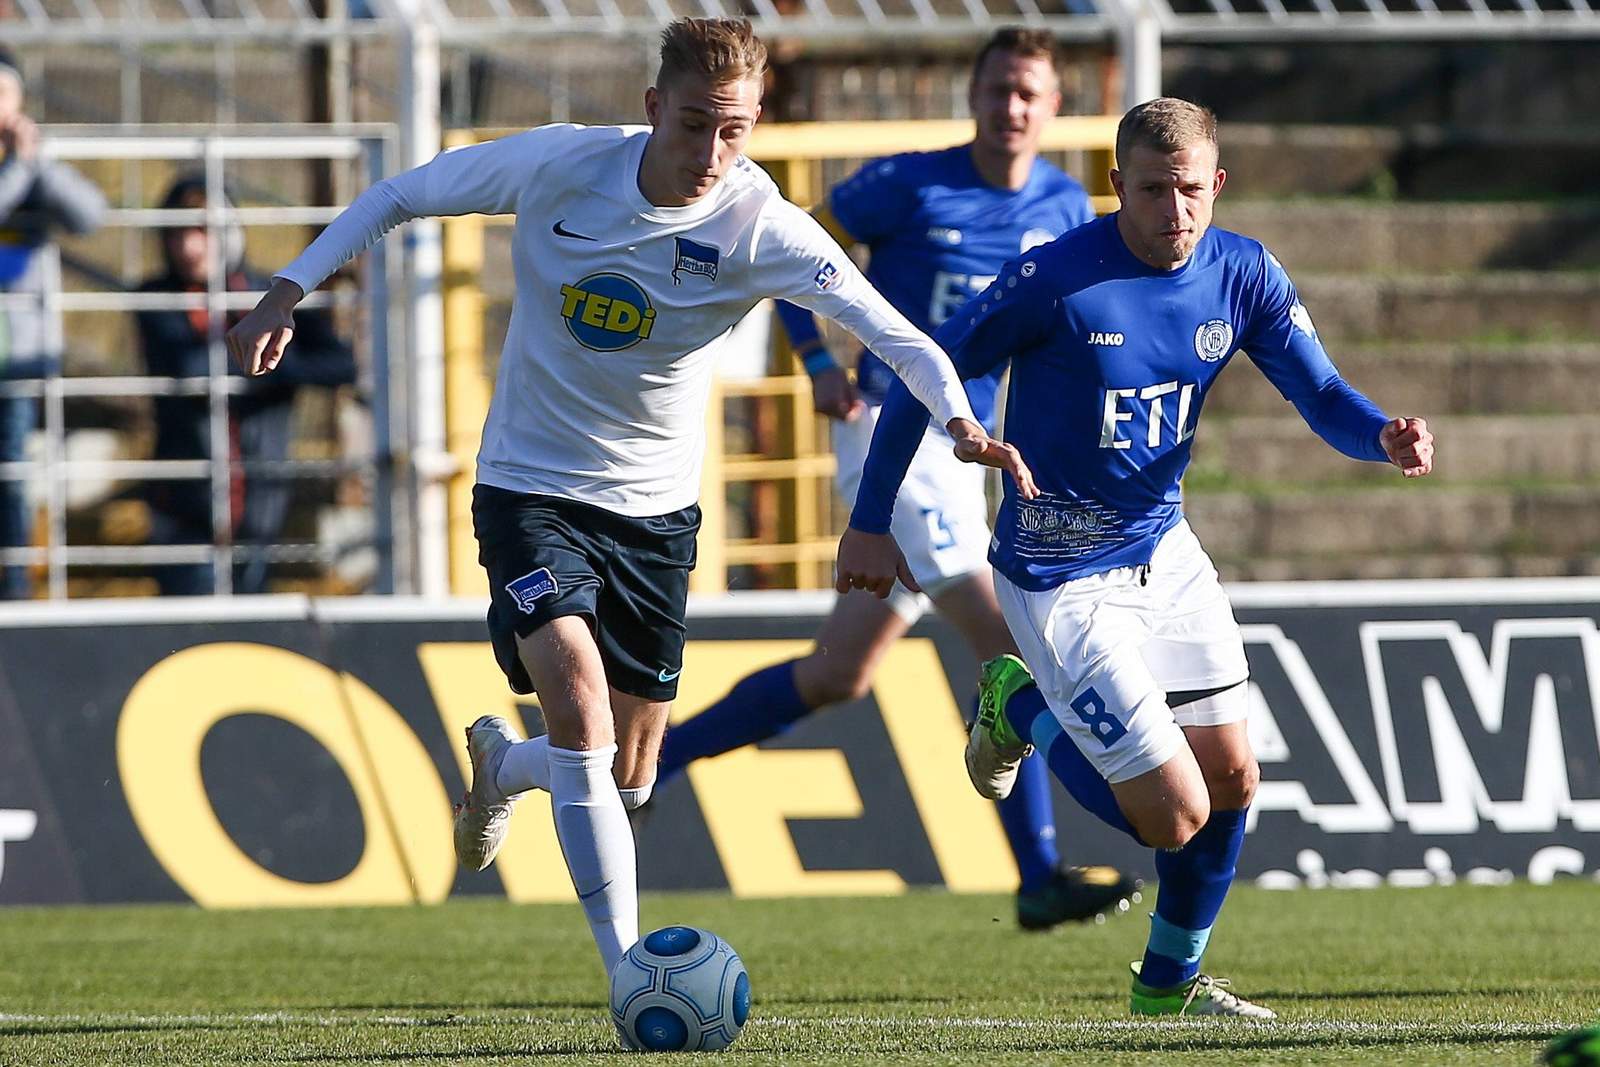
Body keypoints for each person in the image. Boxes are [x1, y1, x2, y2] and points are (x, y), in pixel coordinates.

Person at [225, 17, 1029, 986]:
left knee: (626, 775)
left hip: (655, 515)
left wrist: (958, 419)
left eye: (734, 131)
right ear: (653, 107)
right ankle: (628, 973)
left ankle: (505, 766)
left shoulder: (761, 226)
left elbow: (899, 338)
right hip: (530, 487)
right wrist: (286, 288)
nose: (712, 152)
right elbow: (401, 194)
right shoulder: (561, 166)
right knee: (577, 695)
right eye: (694, 125)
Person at [838, 97, 1435, 1018]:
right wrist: (871, 521)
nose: (1174, 210)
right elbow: (925, 374)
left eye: (1190, 189)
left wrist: (1379, 435)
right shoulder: (1053, 278)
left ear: (1217, 184)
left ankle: (1167, 984)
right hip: (1059, 575)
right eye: (1152, 190)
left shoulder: (1243, 272)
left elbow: (1320, 393)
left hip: (1164, 550)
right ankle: (1016, 702)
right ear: (1117, 185)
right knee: (1171, 815)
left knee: (1233, 780)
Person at [654, 27, 1139, 929]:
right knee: (1010, 638)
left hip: (968, 453)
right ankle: (1038, 872)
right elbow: (786, 252)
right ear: (972, 95)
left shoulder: (1066, 204)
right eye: (997, 89)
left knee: (839, 673)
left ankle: (654, 763)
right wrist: (814, 359)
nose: (1011, 107)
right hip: (891, 437)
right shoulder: (907, 185)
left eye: (1028, 93)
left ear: (1054, 106)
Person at [137, 175, 357, 596]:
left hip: (261, 503)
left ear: (230, 232)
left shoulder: (271, 297)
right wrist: (266, 357)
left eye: (202, 231)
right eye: (177, 233)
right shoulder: (156, 297)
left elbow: (341, 364)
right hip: (184, 508)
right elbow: (190, 367)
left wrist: (271, 360)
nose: (189, 247)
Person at [0, 46, 105, 598]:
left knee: (13, 471)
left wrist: (34, 162)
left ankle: (15, 585)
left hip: (17, 353)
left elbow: (90, 214)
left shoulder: (34, 162)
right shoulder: (19, 171)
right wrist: (19, 170)